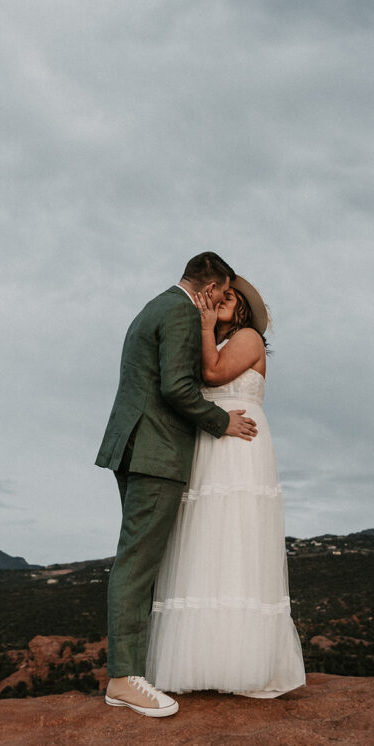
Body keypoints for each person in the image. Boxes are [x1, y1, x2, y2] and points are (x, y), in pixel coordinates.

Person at [95, 252, 258, 717]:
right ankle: (125, 679)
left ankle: (130, 672)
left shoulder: (155, 306)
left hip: (134, 447)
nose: (225, 301)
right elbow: (177, 388)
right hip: (156, 452)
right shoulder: (183, 312)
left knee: (137, 560)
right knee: (139, 563)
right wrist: (220, 420)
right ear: (211, 288)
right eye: (225, 293)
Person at [145, 276, 305, 697]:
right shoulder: (207, 343)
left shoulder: (249, 338)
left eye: (229, 298)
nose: (220, 303)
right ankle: (201, 663)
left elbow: (213, 374)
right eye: (218, 297)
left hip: (242, 446)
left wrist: (202, 324)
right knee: (204, 542)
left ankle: (246, 664)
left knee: (239, 542)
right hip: (210, 444)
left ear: (245, 308)